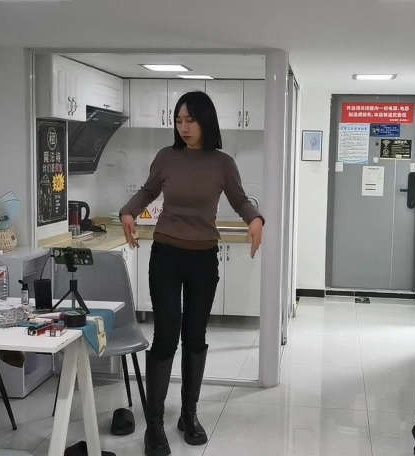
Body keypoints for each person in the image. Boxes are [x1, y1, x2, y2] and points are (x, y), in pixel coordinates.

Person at [120, 91, 263, 456]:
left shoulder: (223, 163)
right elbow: (147, 191)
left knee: (195, 336)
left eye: (191, 120)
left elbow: (239, 199)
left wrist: (255, 219)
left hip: (203, 259)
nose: (183, 127)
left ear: (206, 122)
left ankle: (188, 413)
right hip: (166, 256)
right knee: (166, 336)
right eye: (179, 120)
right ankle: (154, 424)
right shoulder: (166, 157)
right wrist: (128, 212)